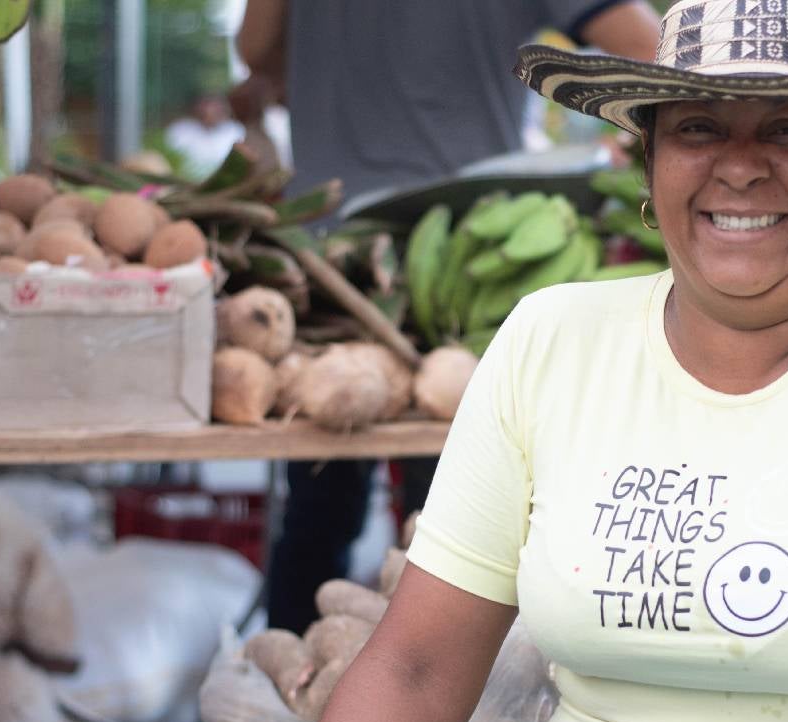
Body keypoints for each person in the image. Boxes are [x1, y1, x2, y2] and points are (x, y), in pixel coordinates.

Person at [318, 1, 788, 722]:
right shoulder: (551, 339)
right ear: (646, 158)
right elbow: (414, 670)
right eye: (698, 128)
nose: (739, 167)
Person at [231, 1, 663, 636]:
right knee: (457, 519)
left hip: (328, 255)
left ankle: (292, 702)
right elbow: (653, 48)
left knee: (320, 505)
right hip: (475, 246)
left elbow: (256, 50)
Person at [165, 93, 247, 181]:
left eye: (217, 110)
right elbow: (168, 161)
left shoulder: (234, 131)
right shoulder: (180, 129)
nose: (211, 114)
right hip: (184, 182)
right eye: (207, 110)